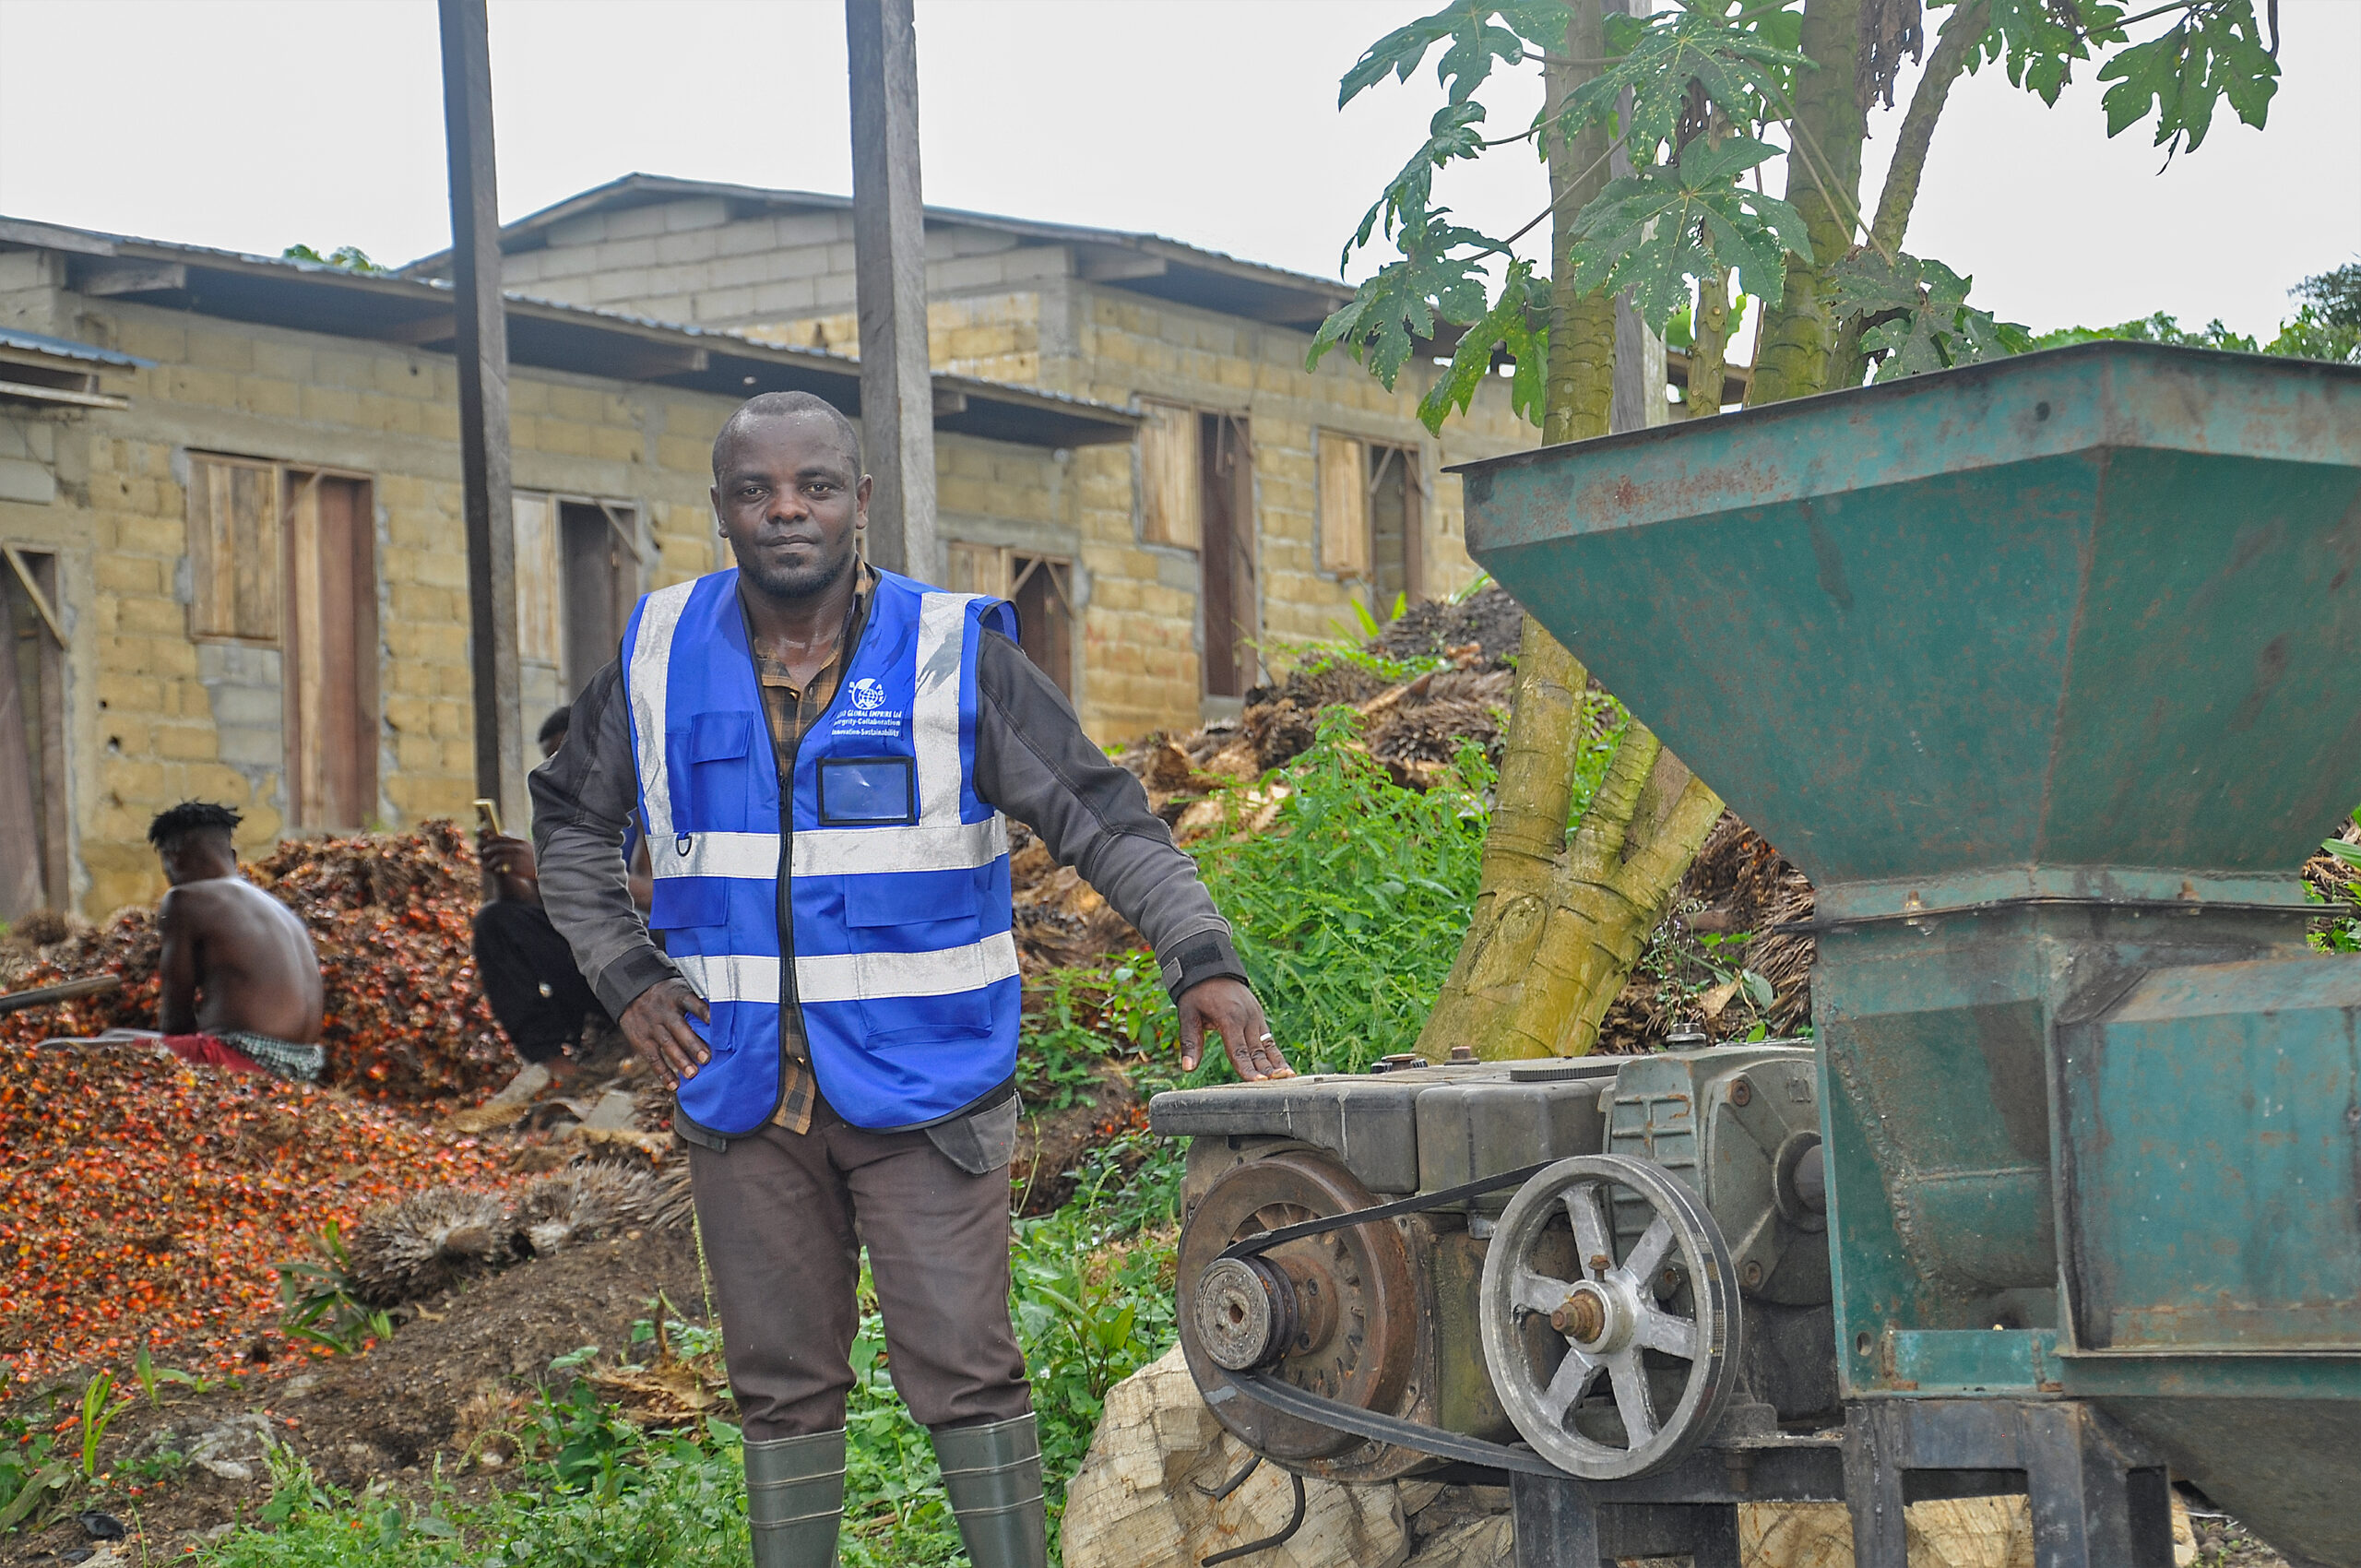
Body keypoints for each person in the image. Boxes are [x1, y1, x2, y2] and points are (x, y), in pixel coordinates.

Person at [531, 389, 1291, 1568]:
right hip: (742, 1090)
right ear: (721, 507)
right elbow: (571, 825)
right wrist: (626, 974)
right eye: (756, 490)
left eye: (816, 486)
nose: (787, 510)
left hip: (928, 1086)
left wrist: (1201, 954)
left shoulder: (951, 655)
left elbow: (1103, 818)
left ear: (861, 500)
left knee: (964, 1365)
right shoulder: (658, 652)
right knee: (779, 1383)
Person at [471, 707, 650, 1076]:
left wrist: (551, 869)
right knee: (498, 922)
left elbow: (659, 896)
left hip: (647, 955)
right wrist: (507, 870)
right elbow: (538, 908)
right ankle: (557, 1065)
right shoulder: (563, 820)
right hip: (589, 957)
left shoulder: (650, 805)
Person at [148, 801, 327, 1082]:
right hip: (307, 1062)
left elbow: (176, 1018)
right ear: (232, 856)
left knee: (87, 1047)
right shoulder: (277, 907)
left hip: (245, 1056)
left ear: (174, 858)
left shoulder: (183, 899)